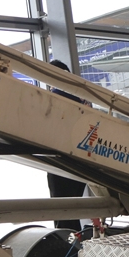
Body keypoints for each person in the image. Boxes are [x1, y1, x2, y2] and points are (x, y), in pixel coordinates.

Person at [45, 59, 89, 231]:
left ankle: (67, 242)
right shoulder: (81, 100)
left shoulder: (56, 97)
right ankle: (73, 239)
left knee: (62, 211)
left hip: (61, 161)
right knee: (72, 212)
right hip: (78, 161)